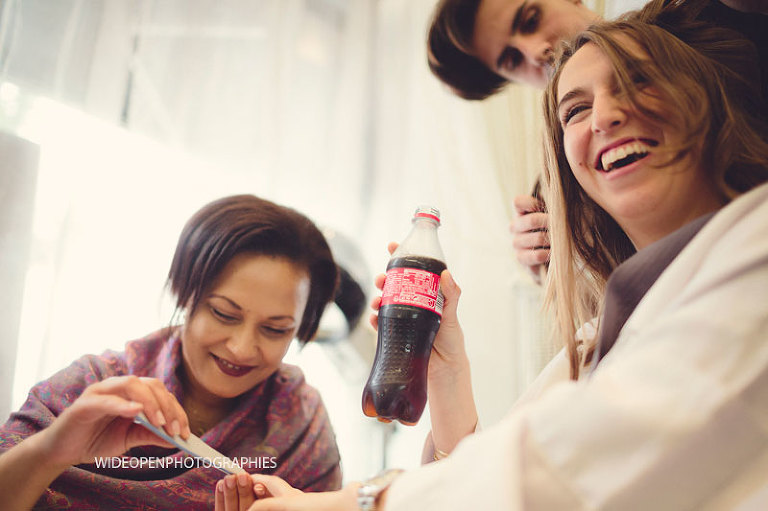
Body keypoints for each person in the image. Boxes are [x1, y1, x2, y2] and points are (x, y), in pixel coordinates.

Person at [213, 8, 768, 509]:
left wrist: (345, 504)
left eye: (638, 81)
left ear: (707, 102)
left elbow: (548, 477)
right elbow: (487, 478)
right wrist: (446, 368)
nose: (605, 115)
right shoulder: (598, 338)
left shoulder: (753, 252)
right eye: (574, 109)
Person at [0, 194, 342, 510]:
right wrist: (49, 452)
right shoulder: (92, 388)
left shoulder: (303, 427)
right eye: (224, 314)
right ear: (184, 293)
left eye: (275, 329)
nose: (241, 348)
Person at [428, 0, 768, 281]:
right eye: (512, 60)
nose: (536, 51)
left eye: (531, 19)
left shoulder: (712, 20)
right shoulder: (562, 189)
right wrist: (555, 262)